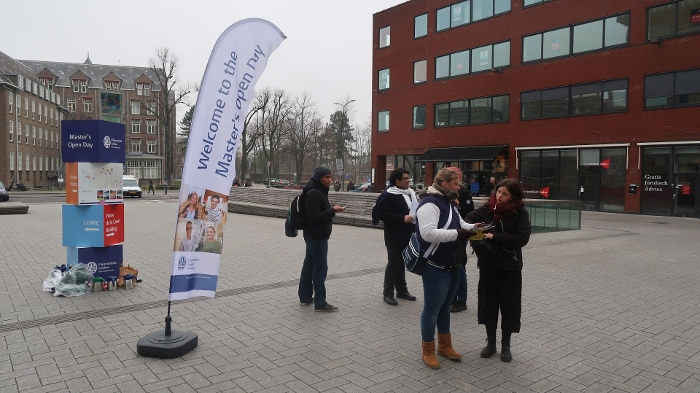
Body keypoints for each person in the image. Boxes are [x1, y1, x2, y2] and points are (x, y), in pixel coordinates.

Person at [416, 168, 481, 369]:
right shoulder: (430, 203)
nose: (459, 187)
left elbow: (459, 223)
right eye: (456, 183)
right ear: (445, 184)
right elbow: (427, 233)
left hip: (453, 263)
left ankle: (445, 345)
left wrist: (473, 227)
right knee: (432, 309)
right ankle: (427, 350)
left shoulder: (448, 202)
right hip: (436, 265)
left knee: (445, 308)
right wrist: (457, 233)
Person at [465, 178, 531, 363]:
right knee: (488, 304)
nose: (500, 196)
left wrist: (496, 237)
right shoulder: (488, 208)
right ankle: (491, 343)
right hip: (488, 265)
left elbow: (522, 238)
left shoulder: (520, 213)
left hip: (510, 266)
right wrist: (475, 230)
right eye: (498, 192)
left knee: (509, 306)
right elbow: (469, 219)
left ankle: (506, 346)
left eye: (505, 194)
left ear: (514, 196)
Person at [298, 167, 345, 312]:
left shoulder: (317, 190)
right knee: (320, 268)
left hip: (314, 235)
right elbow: (315, 217)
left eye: (330, 177)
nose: (330, 180)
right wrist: (333, 211)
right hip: (316, 237)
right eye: (326, 177)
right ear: (318, 178)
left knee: (309, 266)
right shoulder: (314, 193)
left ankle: (305, 297)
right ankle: (320, 302)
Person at [375, 168, 418, 306]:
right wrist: (401, 218)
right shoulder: (388, 195)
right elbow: (381, 214)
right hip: (394, 235)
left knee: (402, 262)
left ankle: (402, 291)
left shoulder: (410, 192)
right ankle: (388, 293)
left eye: (408, 178)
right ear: (397, 180)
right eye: (405, 178)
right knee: (394, 263)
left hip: (408, 233)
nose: (408, 181)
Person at [448, 169, 474, 313]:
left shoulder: (463, 193)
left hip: (459, 235)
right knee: (452, 267)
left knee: (459, 266)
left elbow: (469, 214)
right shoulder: (444, 195)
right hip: (450, 235)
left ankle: (461, 300)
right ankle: (452, 298)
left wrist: (465, 228)